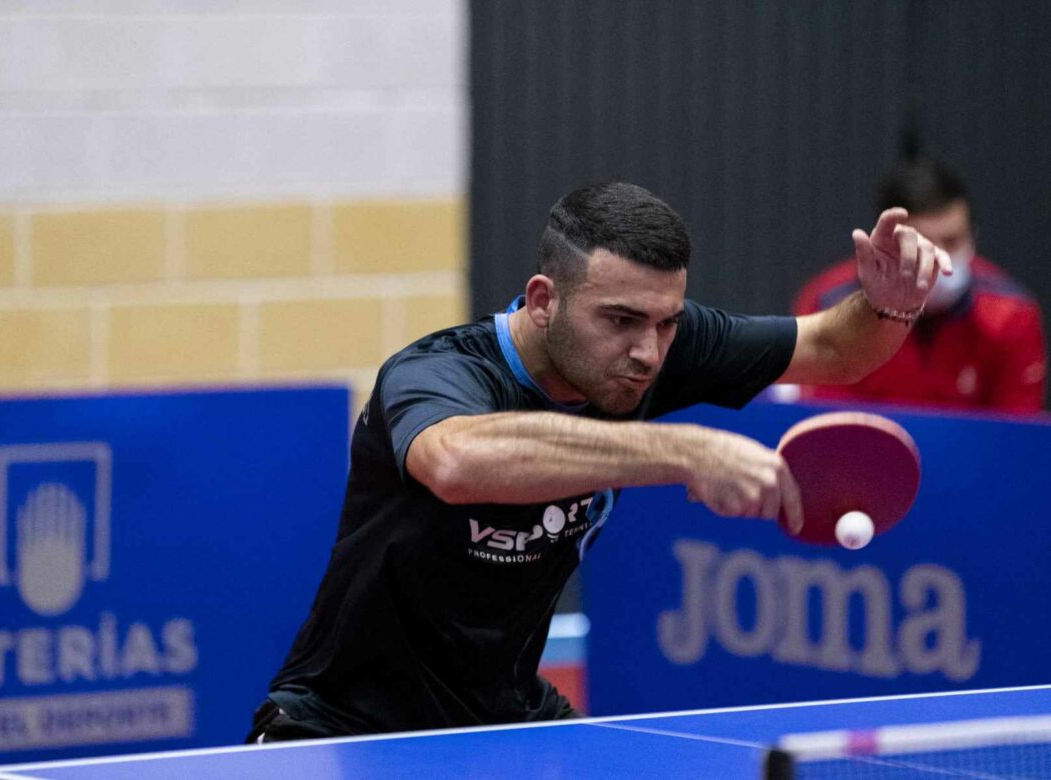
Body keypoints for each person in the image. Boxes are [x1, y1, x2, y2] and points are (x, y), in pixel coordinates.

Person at [247, 181, 950, 743]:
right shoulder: (437, 372)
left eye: (667, 321)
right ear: (545, 299)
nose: (648, 350)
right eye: (620, 320)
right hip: (343, 727)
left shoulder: (655, 348)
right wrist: (680, 450)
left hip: (505, 715)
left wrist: (887, 307)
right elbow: (456, 459)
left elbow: (831, 347)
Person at [794, 158, 1045, 413]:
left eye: (952, 241)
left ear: (972, 235)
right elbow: (826, 428)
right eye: (922, 244)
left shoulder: (1013, 315)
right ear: (886, 242)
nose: (938, 259)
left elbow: (1016, 438)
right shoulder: (828, 303)